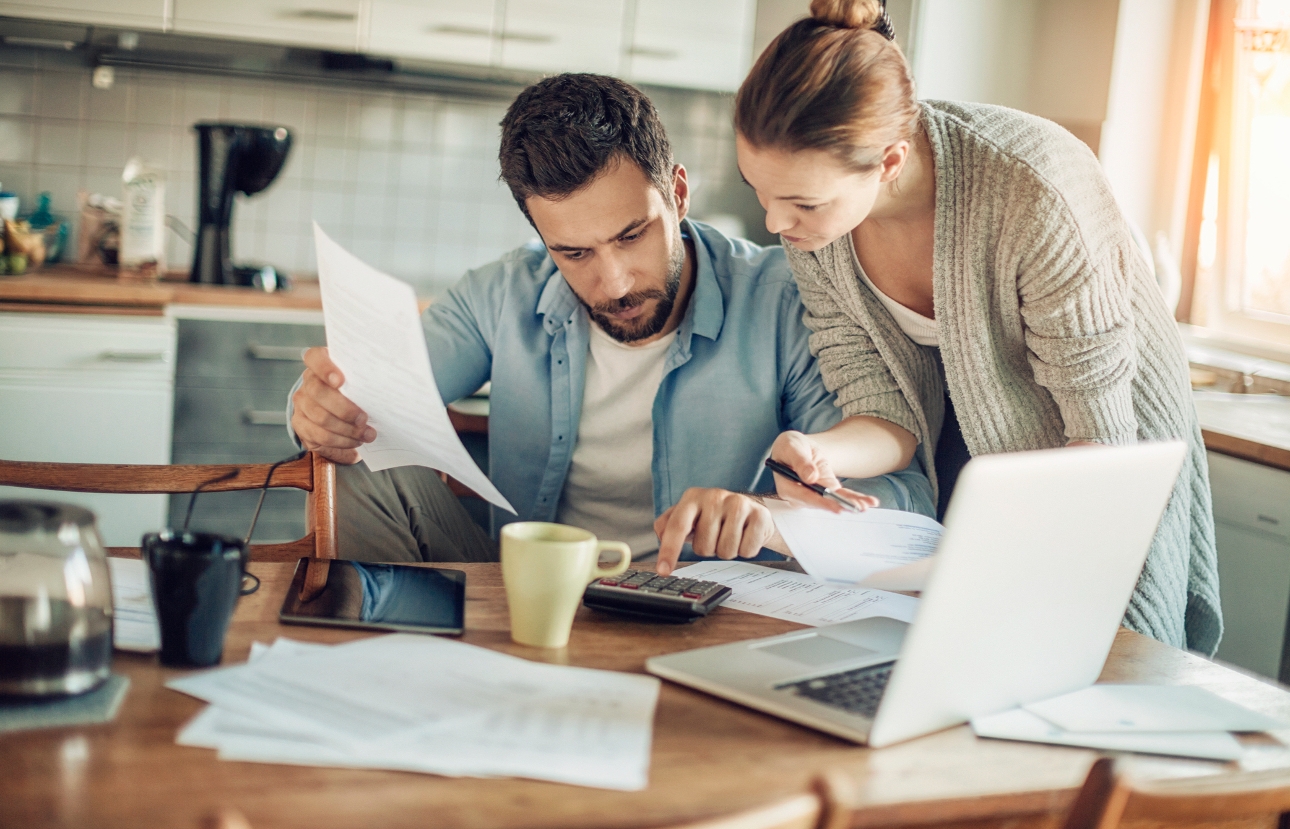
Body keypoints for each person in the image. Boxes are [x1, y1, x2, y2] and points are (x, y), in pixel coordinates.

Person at [288, 73, 934, 570]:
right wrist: (321, 407)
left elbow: (903, 502)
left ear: (678, 194)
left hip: (700, 605)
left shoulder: (785, 299)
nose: (615, 282)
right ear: (540, 234)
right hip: (520, 589)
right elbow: (370, 392)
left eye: (632, 235)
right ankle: (380, 669)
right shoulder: (501, 292)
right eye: (574, 253)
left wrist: (770, 517)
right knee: (353, 456)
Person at [732, 0, 1220, 654]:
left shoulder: (1035, 188)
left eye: (801, 202)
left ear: (890, 162)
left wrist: (985, 554)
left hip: (1104, 449)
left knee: (1098, 660)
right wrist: (823, 452)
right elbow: (885, 412)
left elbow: (1101, 447)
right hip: (979, 450)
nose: (775, 223)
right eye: (762, 193)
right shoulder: (819, 229)